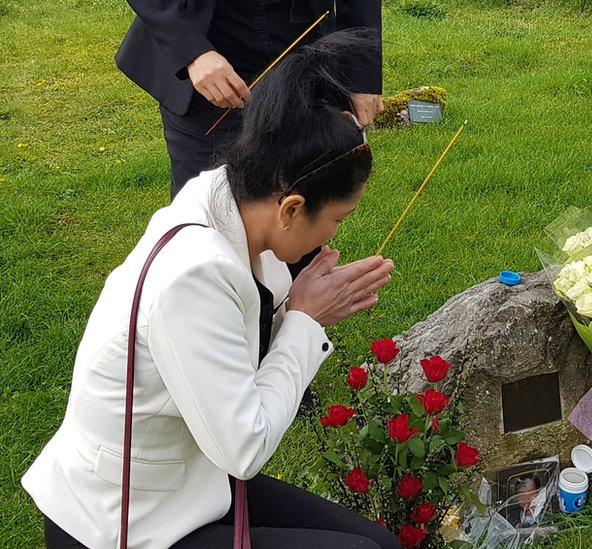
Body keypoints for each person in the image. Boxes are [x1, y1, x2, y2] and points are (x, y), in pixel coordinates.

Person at [22, 32, 398, 549]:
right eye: (337, 217)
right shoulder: (194, 273)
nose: (335, 233)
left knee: (377, 542)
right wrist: (305, 322)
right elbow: (244, 449)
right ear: (290, 208)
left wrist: (297, 311)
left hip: (189, 484)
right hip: (121, 521)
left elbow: (229, 341)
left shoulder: (230, 195)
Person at [116, 0, 383, 199]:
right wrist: (192, 52)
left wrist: (360, 72)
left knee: (300, 200)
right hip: (207, 60)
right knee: (206, 208)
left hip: (303, 57)